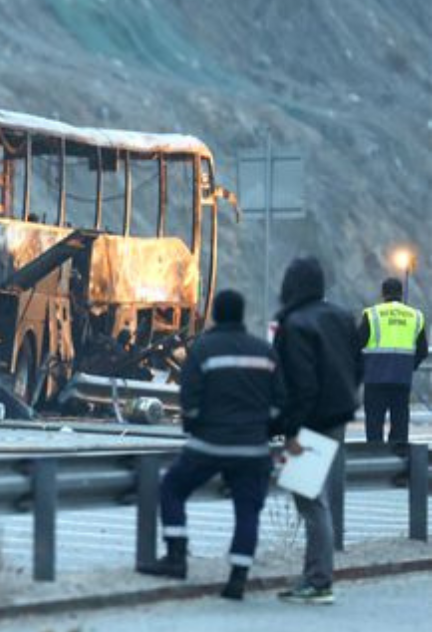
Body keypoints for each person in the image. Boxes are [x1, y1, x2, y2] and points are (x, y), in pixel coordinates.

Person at [136, 290, 284, 601]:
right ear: (242, 314)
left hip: (209, 445)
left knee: (172, 488)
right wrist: (263, 432)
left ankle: (176, 557)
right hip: (252, 449)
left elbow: (189, 398)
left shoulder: (204, 349)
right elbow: (279, 404)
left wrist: (194, 428)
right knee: (247, 511)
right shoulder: (265, 352)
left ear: (216, 313)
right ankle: (238, 578)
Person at [273, 257, 361, 604]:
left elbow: (301, 384)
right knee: (313, 496)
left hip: (310, 420)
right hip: (337, 416)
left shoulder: (295, 324)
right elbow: (358, 365)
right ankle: (315, 576)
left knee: (310, 500)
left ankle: (319, 581)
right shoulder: (341, 316)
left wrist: (292, 431)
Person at [358, 277, 427, 443]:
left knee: (374, 424)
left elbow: (357, 345)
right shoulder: (415, 316)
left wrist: (362, 369)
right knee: (400, 423)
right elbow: (423, 350)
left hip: (375, 378)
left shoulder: (372, 314)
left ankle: (376, 461)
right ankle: (399, 461)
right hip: (402, 379)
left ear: (383, 293)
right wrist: (410, 366)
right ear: (401, 294)